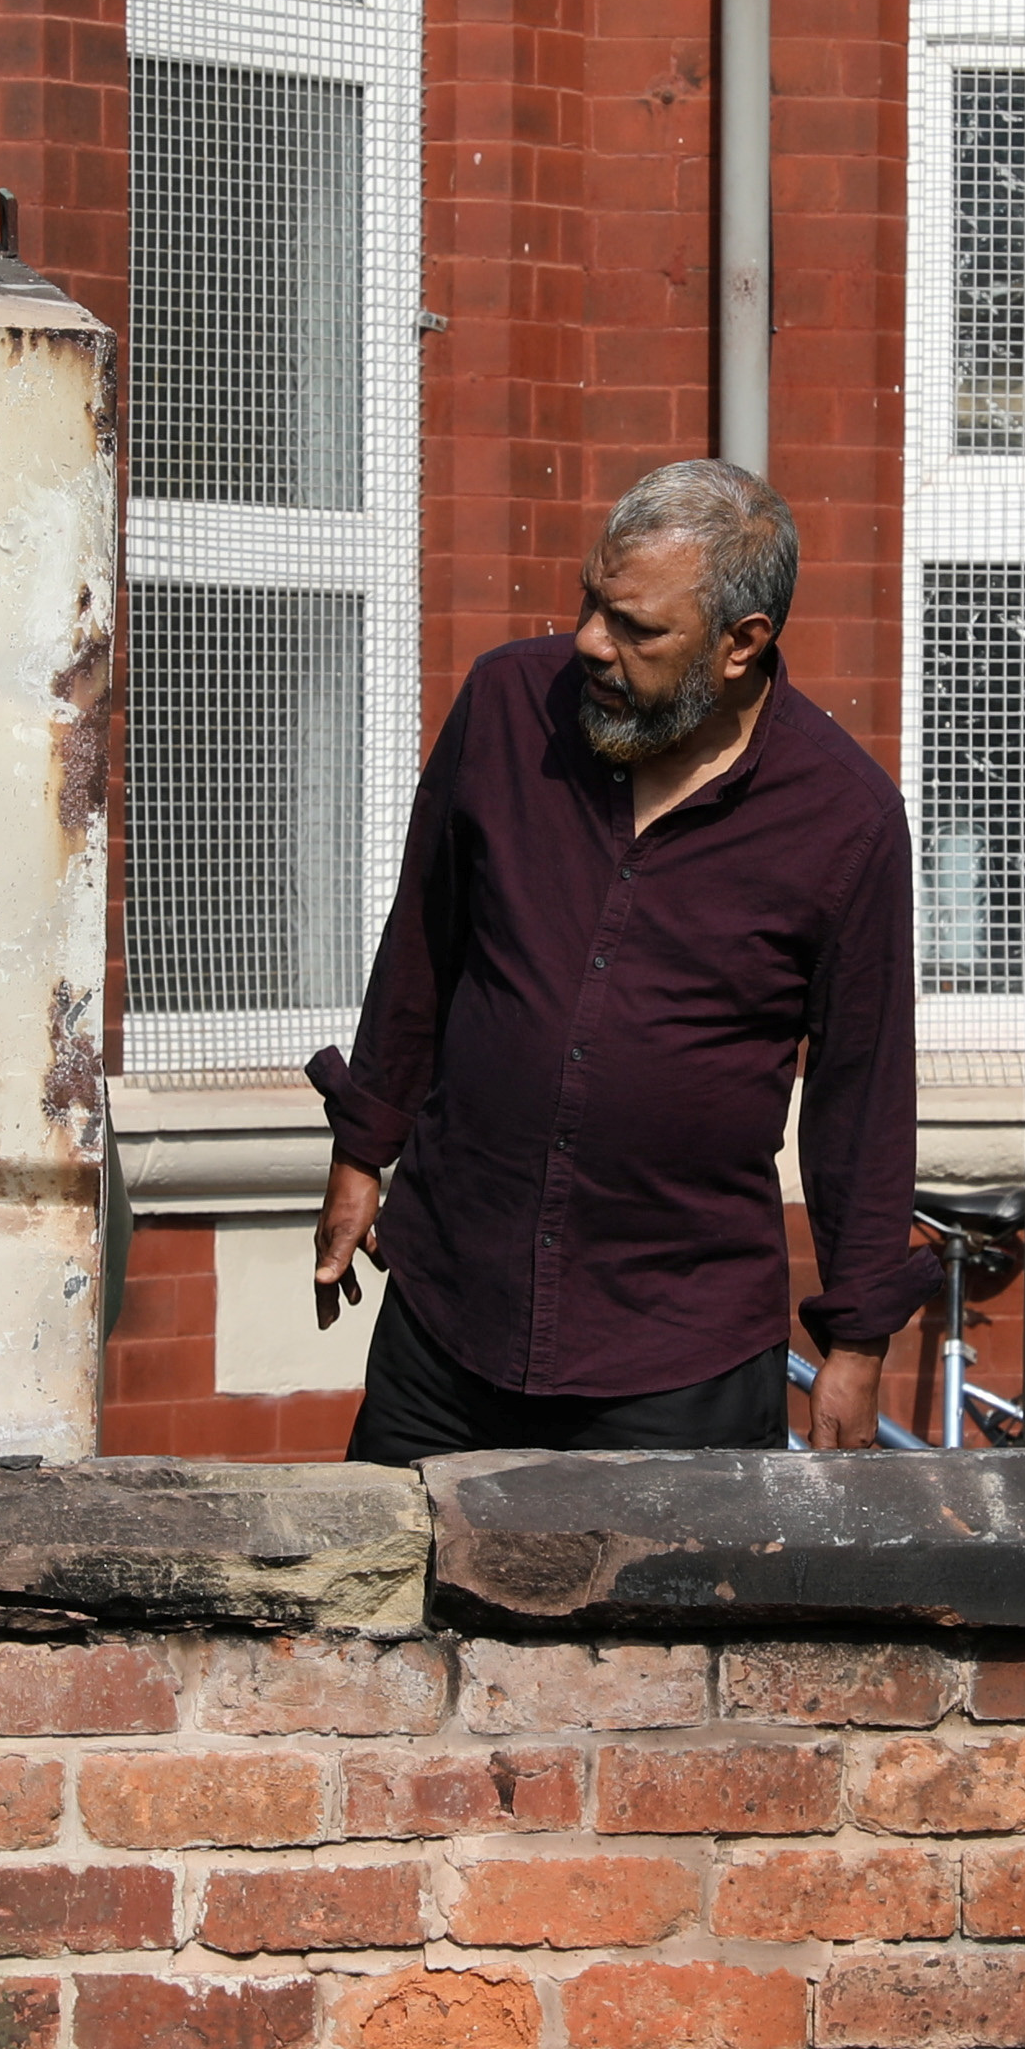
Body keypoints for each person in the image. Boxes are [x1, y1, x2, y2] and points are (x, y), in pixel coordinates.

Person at [306, 459, 937, 1455]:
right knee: (389, 1606)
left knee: (658, 1622)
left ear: (742, 643)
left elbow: (861, 1094)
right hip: (450, 1318)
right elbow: (422, 942)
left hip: (674, 1360)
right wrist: (359, 1150)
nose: (592, 642)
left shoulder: (844, 820)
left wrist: (856, 1343)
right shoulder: (508, 709)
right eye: (591, 603)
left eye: (637, 627)